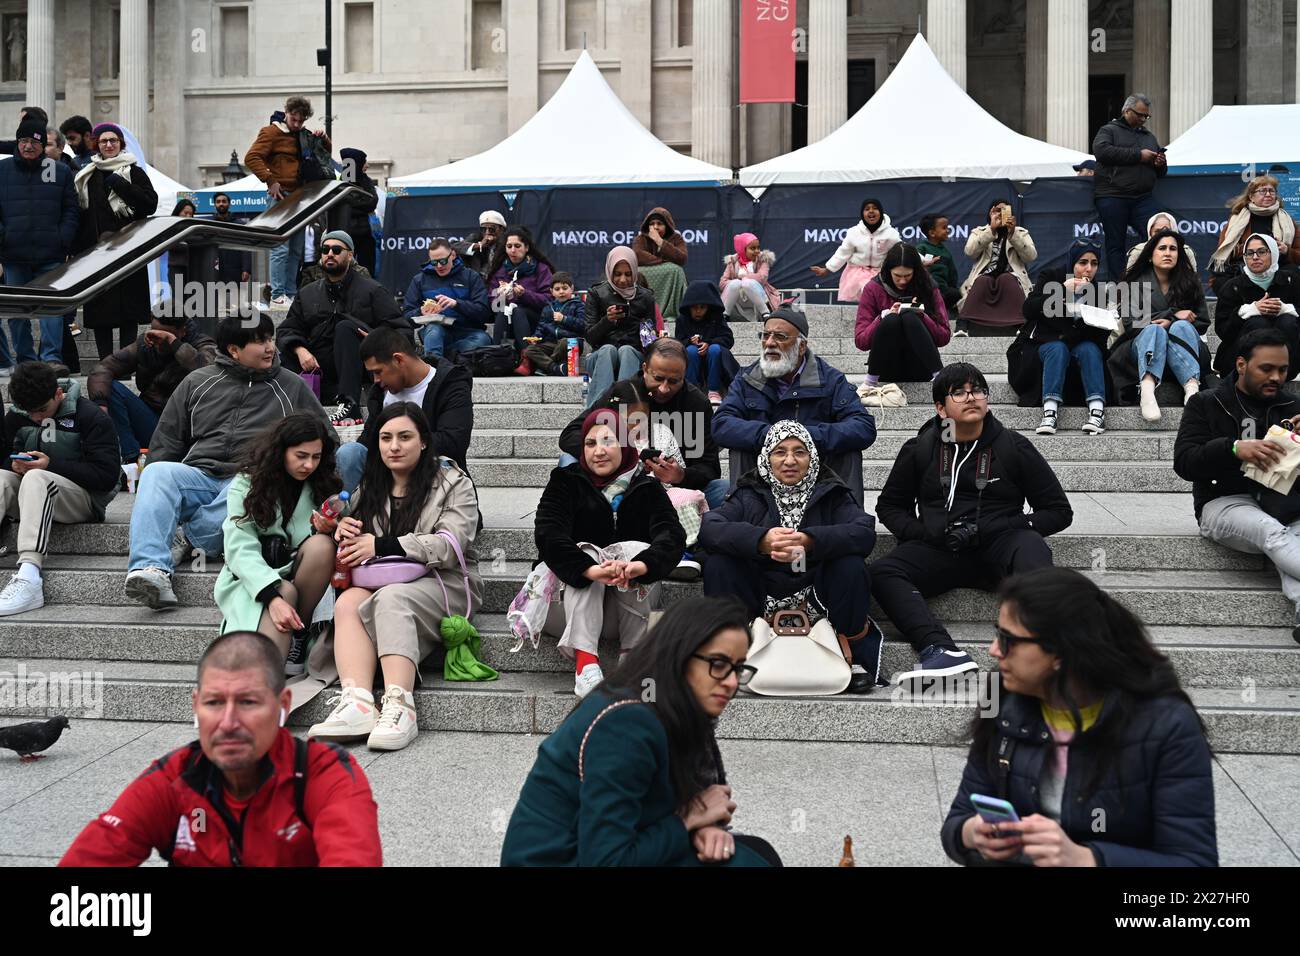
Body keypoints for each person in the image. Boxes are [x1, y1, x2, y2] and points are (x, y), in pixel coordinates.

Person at [941, 567, 1217, 867]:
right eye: (997, 634)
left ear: (1060, 651)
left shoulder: (1165, 724)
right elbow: (958, 822)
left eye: (1009, 640)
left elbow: (1194, 860)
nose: (994, 650)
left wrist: (1087, 859)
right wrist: (972, 833)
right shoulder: (1005, 699)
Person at [60, 630, 382, 866]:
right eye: (214, 703)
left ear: (283, 705)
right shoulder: (172, 780)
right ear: (196, 705)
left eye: (247, 702)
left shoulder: (323, 774)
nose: (228, 722)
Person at [501, 597, 780, 867]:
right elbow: (605, 860)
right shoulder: (626, 724)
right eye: (718, 665)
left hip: (606, 847)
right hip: (560, 860)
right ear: (679, 657)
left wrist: (704, 828)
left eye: (738, 668)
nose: (732, 682)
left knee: (757, 852)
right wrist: (688, 820)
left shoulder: (678, 707)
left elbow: (699, 797)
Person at [870, 363, 1073, 687]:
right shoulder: (919, 449)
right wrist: (924, 533)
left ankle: (1039, 644)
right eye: (959, 392)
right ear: (940, 407)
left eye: (978, 390)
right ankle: (939, 650)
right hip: (940, 547)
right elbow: (890, 507)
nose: (971, 398)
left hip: (1000, 546)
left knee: (1031, 548)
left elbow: (1058, 511)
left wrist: (1003, 526)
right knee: (882, 572)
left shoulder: (1013, 446)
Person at [304, 403, 484, 752]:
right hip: (384, 582)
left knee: (390, 598)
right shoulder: (372, 483)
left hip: (444, 583)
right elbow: (348, 530)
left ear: (424, 443)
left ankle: (400, 704)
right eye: (385, 438)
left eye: (404, 437)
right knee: (349, 602)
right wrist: (341, 527)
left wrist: (384, 544)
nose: (394, 446)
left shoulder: (454, 483)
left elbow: (451, 545)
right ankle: (356, 701)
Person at [123, 314, 328, 610]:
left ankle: (186, 537)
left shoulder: (291, 386)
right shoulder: (197, 381)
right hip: (200, 478)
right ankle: (151, 569)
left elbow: (325, 437)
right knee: (156, 471)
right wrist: (155, 501)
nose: (271, 347)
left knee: (250, 484)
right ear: (233, 349)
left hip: (250, 480)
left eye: (271, 339)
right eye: (260, 341)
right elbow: (166, 441)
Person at [699, 421, 884, 694]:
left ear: (812, 457)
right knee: (718, 563)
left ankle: (852, 655)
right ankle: (732, 652)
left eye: (799, 452)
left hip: (817, 592)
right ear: (767, 457)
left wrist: (811, 540)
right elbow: (711, 528)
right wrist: (761, 540)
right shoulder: (749, 491)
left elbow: (863, 532)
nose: (789, 460)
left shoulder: (831, 491)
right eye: (779, 452)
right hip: (760, 593)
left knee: (851, 565)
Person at [530, 408, 685, 697]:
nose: (598, 451)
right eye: (590, 444)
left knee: (637, 550)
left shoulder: (647, 488)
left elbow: (672, 537)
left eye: (608, 442)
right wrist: (588, 569)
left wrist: (641, 566)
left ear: (626, 445)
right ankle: (585, 666)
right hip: (563, 607)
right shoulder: (565, 482)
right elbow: (548, 535)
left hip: (622, 606)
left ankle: (632, 660)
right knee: (586, 553)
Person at [1174, 329, 1300, 642]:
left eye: (1283, 370)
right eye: (1266, 369)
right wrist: (1233, 449)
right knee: (1271, 534)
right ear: (1241, 365)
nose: (1276, 377)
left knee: (1288, 539)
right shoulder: (1206, 402)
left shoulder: (1293, 405)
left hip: (1285, 501)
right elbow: (1185, 463)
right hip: (1224, 500)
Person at [216, 413, 340, 678]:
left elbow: (340, 530)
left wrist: (334, 529)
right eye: (301, 455)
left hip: (303, 571)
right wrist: (271, 597)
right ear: (281, 451)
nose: (309, 465)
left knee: (322, 546)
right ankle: (262, 684)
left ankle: (298, 633)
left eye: (316, 457)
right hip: (253, 575)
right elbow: (239, 546)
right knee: (283, 591)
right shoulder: (246, 483)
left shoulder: (324, 483)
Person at [713, 305, 876, 505]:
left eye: (780, 337)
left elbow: (863, 426)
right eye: (765, 336)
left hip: (815, 470)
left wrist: (804, 437)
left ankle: (848, 521)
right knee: (740, 448)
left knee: (848, 451)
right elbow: (721, 424)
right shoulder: (747, 378)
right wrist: (774, 435)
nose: (770, 343)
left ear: (801, 346)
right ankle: (744, 518)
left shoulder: (830, 379)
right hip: (764, 472)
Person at [0, 363, 118, 616]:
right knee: (1, 477)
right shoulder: (17, 416)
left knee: (37, 478)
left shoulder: (90, 416)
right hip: (34, 496)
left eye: (42, 410)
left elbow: (106, 477)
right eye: (30, 412)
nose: (37, 418)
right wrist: (14, 464)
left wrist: (51, 464)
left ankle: (30, 576)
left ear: (58, 394)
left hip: (83, 501)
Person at [559, 337, 726, 509]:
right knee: (568, 462)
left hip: (674, 492)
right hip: (615, 482)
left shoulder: (696, 403)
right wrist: (616, 456)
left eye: (674, 381)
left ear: (684, 375)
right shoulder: (622, 393)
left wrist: (681, 475)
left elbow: (709, 469)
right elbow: (570, 435)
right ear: (645, 369)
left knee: (723, 489)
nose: (664, 388)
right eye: (658, 378)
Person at [277, 229, 411, 433]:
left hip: (362, 363)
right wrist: (300, 349)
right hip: (320, 365)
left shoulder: (372, 290)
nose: (330, 253)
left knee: (345, 327)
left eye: (337, 249)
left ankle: (350, 405)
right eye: (325, 249)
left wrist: (377, 339)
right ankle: (290, 409)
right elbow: (288, 329)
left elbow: (402, 330)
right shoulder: (307, 293)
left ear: (351, 255)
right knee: (285, 352)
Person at [334, 327, 473, 492]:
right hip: (386, 479)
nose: (376, 380)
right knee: (350, 453)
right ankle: (349, 514)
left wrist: (398, 447)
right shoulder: (380, 392)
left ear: (399, 360)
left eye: (378, 371)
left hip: (434, 479)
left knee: (442, 463)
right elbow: (367, 442)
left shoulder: (450, 385)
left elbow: (453, 443)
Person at [72, 122, 158, 359]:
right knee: (101, 313)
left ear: (121, 143)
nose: (109, 145)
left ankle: (126, 362)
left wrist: (119, 184)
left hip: (129, 251)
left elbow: (150, 204)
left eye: (113, 140)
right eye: (103, 141)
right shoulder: (86, 175)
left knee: (129, 312)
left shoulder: (133, 171)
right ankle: (105, 362)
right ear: (96, 145)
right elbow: (81, 214)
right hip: (98, 254)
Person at [86, 312, 218, 466]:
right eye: (156, 333)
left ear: (182, 331)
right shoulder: (146, 343)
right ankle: (130, 459)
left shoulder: (203, 344)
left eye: (165, 336)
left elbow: (210, 372)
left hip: (183, 430)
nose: (158, 341)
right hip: (151, 420)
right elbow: (103, 368)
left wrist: (175, 345)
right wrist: (100, 406)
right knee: (112, 389)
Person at [0, 116, 78, 371]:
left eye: (33, 142)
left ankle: (52, 358)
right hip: (13, 255)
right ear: (18, 142)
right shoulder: (2, 170)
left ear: (43, 145)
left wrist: (62, 240)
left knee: (51, 311)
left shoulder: (60, 171)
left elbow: (71, 210)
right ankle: (25, 360)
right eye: (23, 140)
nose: (28, 146)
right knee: (17, 314)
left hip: (50, 255)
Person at [1107, 228, 1210, 421]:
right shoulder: (1136, 282)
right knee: (1154, 329)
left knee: (1181, 326)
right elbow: (1132, 324)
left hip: (1183, 350)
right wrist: (1172, 314)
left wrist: (1172, 321)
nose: (1168, 253)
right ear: (1150, 254)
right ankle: (1147, 389)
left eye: (1173, 249)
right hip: (1143, 348)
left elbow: (1203, 322)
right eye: (1162, 248)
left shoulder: (1190, 281)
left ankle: (1191, 388)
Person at [1011, 240, 1110, 435]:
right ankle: (1050, 412)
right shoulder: (1052, 277)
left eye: (1094, 263)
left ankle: (1097, 412)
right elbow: (1028, 309)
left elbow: (1097, 338)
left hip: (1077, 346)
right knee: (1058, 348)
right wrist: (1062, 290)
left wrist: (1104, 320)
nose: (1088, 269)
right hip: (1044, 344)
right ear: (1072, 262)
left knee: (1090, 349)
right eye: (1083, 262)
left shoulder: (1096, 290)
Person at [245, 96, 330, 306]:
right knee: (280, 247)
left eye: (301, 121)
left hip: (299, 197)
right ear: (286, 113)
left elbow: (324, 155)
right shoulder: (271, 132)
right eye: (294, 119)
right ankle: (277, 294)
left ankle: (290, 293)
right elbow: (251, 157)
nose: (297, 124)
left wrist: (324, 138)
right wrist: (270, 181)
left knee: (296, 249)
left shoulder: (301, 135)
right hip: (281, 196)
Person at [855, 242, 951, 391]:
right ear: (888, 271)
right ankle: (869, 383)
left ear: (916, 271)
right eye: (897, 276)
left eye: (907, 275)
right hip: (884, 368)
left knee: (909, 316)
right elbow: (861, 341)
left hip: (922, 365)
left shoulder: (928, 287)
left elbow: (944, 337)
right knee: (891, 319)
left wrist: (922, 315)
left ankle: (940, 378)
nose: (902, 281)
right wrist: (883, 316)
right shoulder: (873, 288)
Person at [1092, 93, 1167, 281]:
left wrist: (1160, 163)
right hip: (1112, 195)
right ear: (1126, 111)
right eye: (1140, 114)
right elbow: (1101, 152)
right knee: (1115, 244)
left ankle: (1151, 280)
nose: (1143, 119)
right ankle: (1120, 287)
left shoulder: (1149, 136)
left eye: (1146, 116)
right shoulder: (1108, 130)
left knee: (1159, 236)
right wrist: (1138, 155)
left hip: (1142, 197)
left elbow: (1161, 172)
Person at [1213, 234, 1300, 376]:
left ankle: (1283, 369)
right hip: (1242, 364)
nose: (1255, 257)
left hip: (1288, 367)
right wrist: (1247, 311)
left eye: (1261, 252)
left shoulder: (1292, 280)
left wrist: (1287, 309)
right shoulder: (1233, 286)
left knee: (1288, 321)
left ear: (1273, 253)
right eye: (1249, 253)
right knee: (1257, 322)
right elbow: (1223, 330)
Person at [583, 245, 659, 409]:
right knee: (608, 349)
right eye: (617, 274)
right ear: (610, 272)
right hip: (600, 355)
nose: (623, 280)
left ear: (635, 272)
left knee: (626, 350)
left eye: (628, 274)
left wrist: (647, 332)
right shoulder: (596, 293)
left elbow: (650, 341)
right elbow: (590, 337)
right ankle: (598, 408)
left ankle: (626, 405)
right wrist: (607, 321)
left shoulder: (645, 296)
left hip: (632, 356)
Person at [403, 237, 492, 359]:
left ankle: (441, 356)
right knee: (434, 331)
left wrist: (457, 304)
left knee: (482, 340)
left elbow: (483, 312)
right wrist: (421, 312)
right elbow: (406, 316)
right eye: (434, 263)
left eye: (443, 261)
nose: (439, 266)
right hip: (436, 331)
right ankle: (441, 362)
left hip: (468, 331)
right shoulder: (420, 280)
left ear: (453, 255)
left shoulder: (471, 276)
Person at [956, 199, 1037, 334]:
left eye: (1005, 210)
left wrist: (1013, 234)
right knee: (983, 280)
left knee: (1006, 278)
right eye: (997, 211)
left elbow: (1031, 256)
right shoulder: (979, 231)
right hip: (984, 275)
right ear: (990, 213)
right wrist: (991, 229)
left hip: (1011, 276)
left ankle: (1023, 326)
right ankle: (962, 325)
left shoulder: (1020, 232)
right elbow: (969, 252)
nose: (1000, 214)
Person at [1209, 174, 1300, 286]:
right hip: (1244, 270)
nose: (1268, 194)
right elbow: (1223, 252)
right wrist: (1250, 249)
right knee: (1221, 281)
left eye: (1271, 191)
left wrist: (1286, 251)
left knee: (1294, 275)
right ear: (1251, 196)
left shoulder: (1288, 221)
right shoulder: (1236, 220)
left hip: (1278, 270)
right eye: (1262, 191)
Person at [809, 198, 900, 302]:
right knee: (866, 296)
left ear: (881, 212)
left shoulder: (891, 234)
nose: (871, 211)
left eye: (875, 208)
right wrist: (828, 269)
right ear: (862, 213)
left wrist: (921, 261)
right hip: (857, 275)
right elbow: (843, 252)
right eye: (867, 209)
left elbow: (902, 249)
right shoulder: (854, 232)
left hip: (880, 274)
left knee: (879, 300)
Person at [486, 225, 554, 351]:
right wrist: (501, 296)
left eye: (517, 246)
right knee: (503, 312)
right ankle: (497, 357)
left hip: (537, 321)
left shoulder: (541, 268)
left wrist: (524, 294)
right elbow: (493, 305)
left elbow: (550, 300)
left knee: (517, 311)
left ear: (526, 247)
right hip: (507, 320)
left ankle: (527, 356)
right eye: (509, 246)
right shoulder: (499, 271)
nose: (513, 250)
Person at [674, 280, 738, 404]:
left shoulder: (716, 318)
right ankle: (691, 389)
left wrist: (708, 343)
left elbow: (727, 338)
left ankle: (713, 391)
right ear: (689, 307)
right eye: (694, 307)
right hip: (692, 360)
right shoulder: (682, 320)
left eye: (702, 307)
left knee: (715, 349)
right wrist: (689, 341)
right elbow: (678, 342)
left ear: (708, 307)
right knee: (691, 350)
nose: (698, 311)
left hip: (714, 360)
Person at [520, 270, 587, 376]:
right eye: (557, 289)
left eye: (565, 288)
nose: (561, 292)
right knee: (529, 350)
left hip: (571, 342)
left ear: (572, 289)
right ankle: (555, 368)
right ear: (551, 291)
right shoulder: (548, 308)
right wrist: (535, 337)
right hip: (551, 343)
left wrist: (564, 319)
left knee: (565, 342)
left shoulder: (579, 305)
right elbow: (541, 327)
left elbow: (583, 325)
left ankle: (546, 368)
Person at [633, 206, 689, 320]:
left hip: (669, 275)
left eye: (659, 223)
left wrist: (660, 242)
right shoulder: (641, 239)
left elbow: (682, 258)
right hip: (646, 276)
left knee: (676, 270)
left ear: (667, 225)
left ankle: (671, 312)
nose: (655, 227)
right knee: (638, 273)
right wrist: (664, 262)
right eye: (652, 223)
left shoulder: (676, 238)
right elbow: (637, 255)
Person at [332, 147, 379, 275]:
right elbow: (344, 204)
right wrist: (360, 204)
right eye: (364, 162)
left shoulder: (365, 180)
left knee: (367, 271)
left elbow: (372, 202)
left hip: (365, 236)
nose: (367, 165)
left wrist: (353, 204)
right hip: (346, 235)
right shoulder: (341, 181)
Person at [718, 232, 780, 322]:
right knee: (736, 283)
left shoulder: (763, 259)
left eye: (758, 247)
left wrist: (744, 277)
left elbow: (762, 278)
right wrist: (739, 281)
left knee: (747, 283)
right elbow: (722, 283)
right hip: (738, 300)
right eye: (753, 248)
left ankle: (766, 313)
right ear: (742, 249)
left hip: (758, 298)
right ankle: (725, 315)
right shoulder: (732, 261)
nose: (757, 251)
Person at [916, 213, 961, 317]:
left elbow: (952, 274)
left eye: (947, 227)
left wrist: (952, 287)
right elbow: (917, 266)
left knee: (955, 294)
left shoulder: (945, 252)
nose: (947, 230)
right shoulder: (922, 248)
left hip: (944, 290)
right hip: (928, 289)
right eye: (944, 228)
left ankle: (943, 312)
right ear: (932, 233)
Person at [1125, 211, 1197, 272]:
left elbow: (1192, 282)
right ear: (1150, 233)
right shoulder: (1138, 252)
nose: (1162, 235)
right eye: (1157, 232)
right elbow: (1131, 283)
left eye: (1167, 231)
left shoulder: (1186, 252)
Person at [452, 210, 506, 280]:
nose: (487, 232)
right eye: (483, 229)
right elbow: (452, 246)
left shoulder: (508, 242)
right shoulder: (475, 238)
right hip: (477, 282)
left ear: (501, 229)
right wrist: (478, 245)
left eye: (492, 229)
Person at [166, 198, 197, 290]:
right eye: (185, 213)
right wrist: (190, 245)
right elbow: (172, 245)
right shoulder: (171, 228)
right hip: (176, 269)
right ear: (178, 212)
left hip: (192, 269)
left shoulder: (194, 229)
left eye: (190, 214)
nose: (188, 216)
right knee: (179, 300)